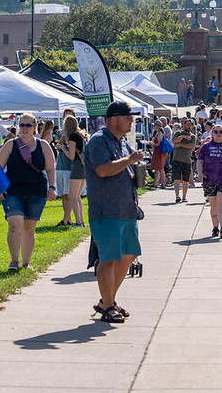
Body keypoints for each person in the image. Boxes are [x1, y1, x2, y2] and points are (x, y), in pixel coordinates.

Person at [84, 101, 144, 323]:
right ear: (113, 120)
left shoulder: (121, 142)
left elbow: (123, 167)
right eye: (127, 117)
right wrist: (130, 160)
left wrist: (135, 175)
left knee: (128, 256)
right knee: (108, 259)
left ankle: (107, 301)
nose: (131, 121)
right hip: (106, 209)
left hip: (126, 209)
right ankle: (108, 306)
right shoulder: (99, 140)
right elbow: (102, 169)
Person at [0, 113, 57, 270]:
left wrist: (52, 187)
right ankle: (14, 261)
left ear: (35, 127)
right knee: (15, 223)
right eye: (22, 125)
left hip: (36, 191)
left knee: (29, 229)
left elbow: (50, 168)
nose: (24, 128)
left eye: (28, 125)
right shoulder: (10, 145)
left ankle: (25, 263)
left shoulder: (43, 145)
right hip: (13, 191)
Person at [57, 115, 89, 226]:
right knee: (77, 197)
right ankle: (81, 221)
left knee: (72, 196)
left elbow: (71, 156)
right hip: (85, 166)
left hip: (77, 166)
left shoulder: (73, 137)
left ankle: (79, 222)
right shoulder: (81, 135)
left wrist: (62, 148)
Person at [55, 109, 77, 226]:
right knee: (63, 195)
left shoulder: (75, 134)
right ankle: (67, 218)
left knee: (69, 195)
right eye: (65, 116)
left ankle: (66, 218)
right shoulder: (60, 132)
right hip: (60, 165)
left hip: (69, 166)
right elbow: (57, 144)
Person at [172, 118, 197, 203]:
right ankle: (177, 196)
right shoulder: (178, 133)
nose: (189, 126)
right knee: (176, 179)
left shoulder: (193, 136)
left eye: (191, 125)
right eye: (188, 124)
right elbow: (173, 141)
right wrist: (182, 137)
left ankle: (184, 197)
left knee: (185, 180)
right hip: (176, 159)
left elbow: (192, 145)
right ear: (184, 125)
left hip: (186, 160)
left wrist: (181, 144)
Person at [148, 121, 168, 188]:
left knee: (161, 168)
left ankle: (163, 184)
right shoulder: (158, 133)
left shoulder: (159, 133)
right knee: (157, 168)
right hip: (158, 152)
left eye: (154, 125)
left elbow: (159, 143)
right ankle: (155, 183)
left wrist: (152, 144)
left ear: (157, 126)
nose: (153, 127)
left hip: (159, 152)